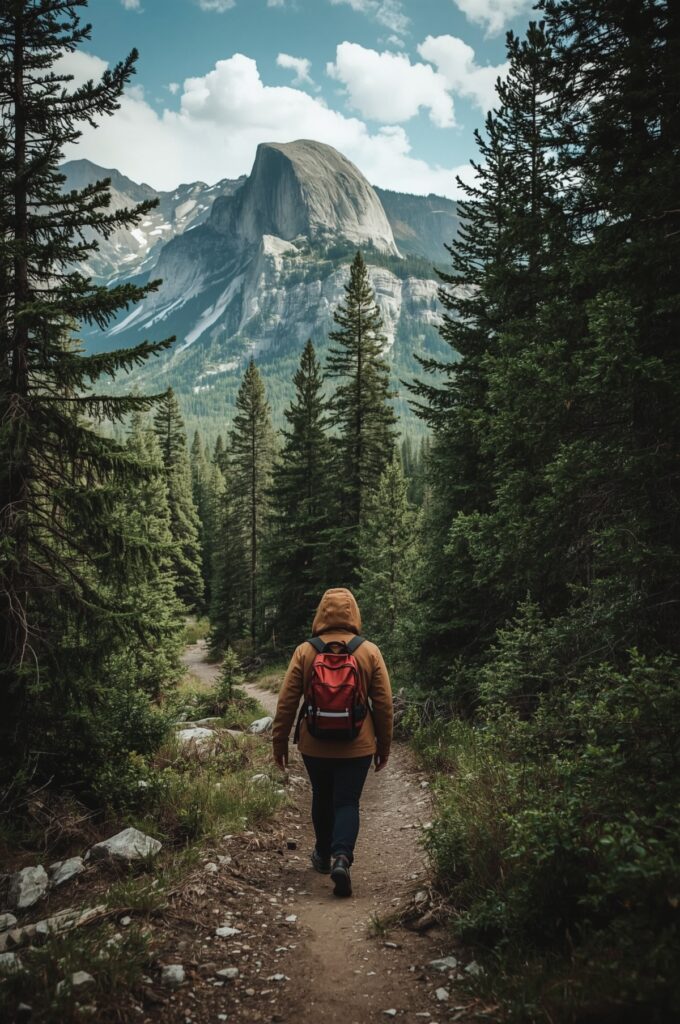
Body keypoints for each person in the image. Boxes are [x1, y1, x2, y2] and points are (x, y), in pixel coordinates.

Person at [272, 587, 393, 897]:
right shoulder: (369, 651)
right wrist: (383, 746)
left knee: (322, 796)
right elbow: (383, 705)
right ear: (354, 613)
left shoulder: (305, 651)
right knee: (347, 801)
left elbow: (286, 701)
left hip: (315, 744)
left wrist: (279, 742)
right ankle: (342, 857)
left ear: (321, 614)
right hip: (358, 745)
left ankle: (323, 856)